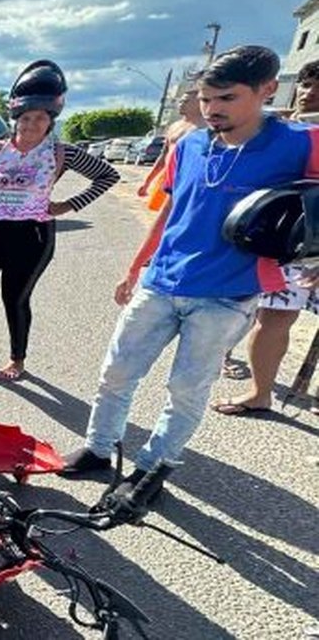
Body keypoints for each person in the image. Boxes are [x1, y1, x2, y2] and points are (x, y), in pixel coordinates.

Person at [60, 46, 319, 501]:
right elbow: (172, 211)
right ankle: (98, 449)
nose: (213, 109)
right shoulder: (189, 144)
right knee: (116, 373)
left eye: (227, 99)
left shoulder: (300, 145)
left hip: (228, 294)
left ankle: (151, 470)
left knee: (186, 388)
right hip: (161, 281)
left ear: (267, 91)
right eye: (206, 99)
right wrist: (136, 265)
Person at [0, 61, 119, 380]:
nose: (31, 124)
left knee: (15, 298)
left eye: (40, 118)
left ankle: (16, 360)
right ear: (16, 118)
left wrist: (67, 205)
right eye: (26, 118)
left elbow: (107, 176)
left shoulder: (63, 153)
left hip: (32, 235)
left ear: (50, 121)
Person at [211, 59, 319, 416]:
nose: (309, 92)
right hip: (281, 242)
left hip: (312, 244)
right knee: (272, 317)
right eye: (306, 85)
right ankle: (261, 392)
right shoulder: (276, 129)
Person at [136, 88, 205, 212]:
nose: (180, 104)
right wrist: (147, 182)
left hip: (185, 180)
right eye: (181, 101)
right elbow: (163, 157)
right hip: (166, 178)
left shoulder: (205, 128)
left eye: (186, 101)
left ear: (199, 103)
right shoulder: (175, 126)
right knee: (159, 215)